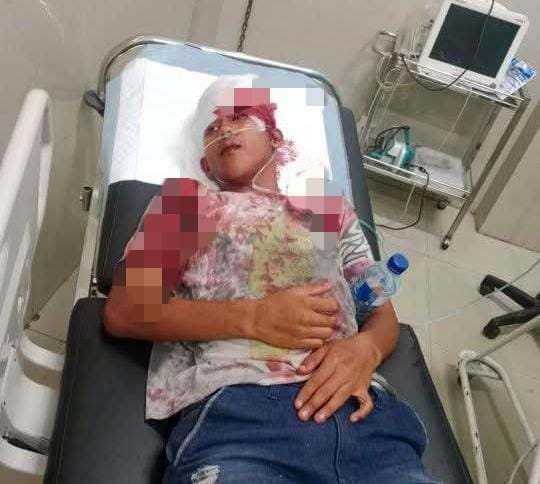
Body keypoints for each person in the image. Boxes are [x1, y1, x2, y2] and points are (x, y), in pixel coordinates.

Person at [104, 76, 435, 484]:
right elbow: (125, 310)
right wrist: (254, 317)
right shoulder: (188, 204)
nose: (224, 129)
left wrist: (366, 348)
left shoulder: (323, 207)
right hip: (245, 418)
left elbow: (381, 311)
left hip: (366, 419)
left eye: (239, 117)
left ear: (275, 138)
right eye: (212, 128)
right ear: (206, 164)